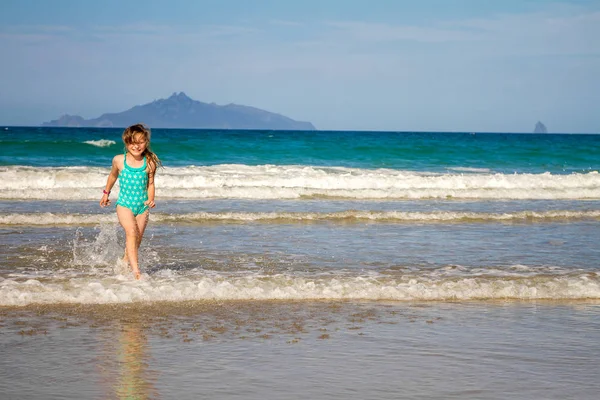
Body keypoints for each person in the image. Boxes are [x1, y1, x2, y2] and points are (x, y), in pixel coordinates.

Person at [100, 123, 161, 279]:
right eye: (132, 142)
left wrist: (151, 199)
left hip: (142, 206)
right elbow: (112, 176)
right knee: (131, 233)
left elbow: (151, 184)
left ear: (146, 142)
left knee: (137, 238)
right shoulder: (119, 160)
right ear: (126, 143)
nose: (136, 146)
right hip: (124, 205)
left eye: (140, 142)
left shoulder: (150, 162)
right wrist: (106, 193)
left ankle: (125, 262)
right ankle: (136, 272)